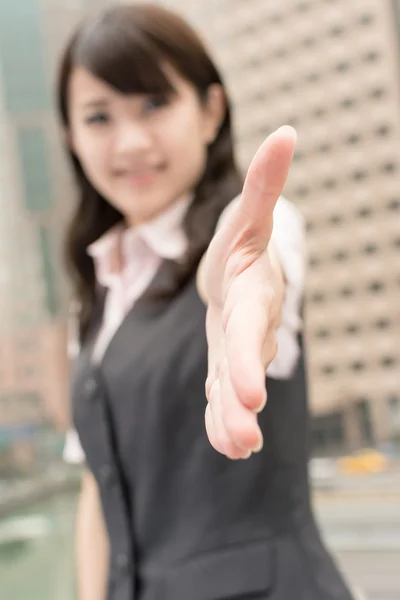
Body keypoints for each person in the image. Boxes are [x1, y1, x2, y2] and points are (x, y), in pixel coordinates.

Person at [60, 4, 353, 600]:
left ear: (210, 111)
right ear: (70, 136)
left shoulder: (253, 228)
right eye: (98, 117)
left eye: (154, 104)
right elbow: (100, 487)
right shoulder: (96, 293)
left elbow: (256, 272)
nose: (132, 141)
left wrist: (245, 288)